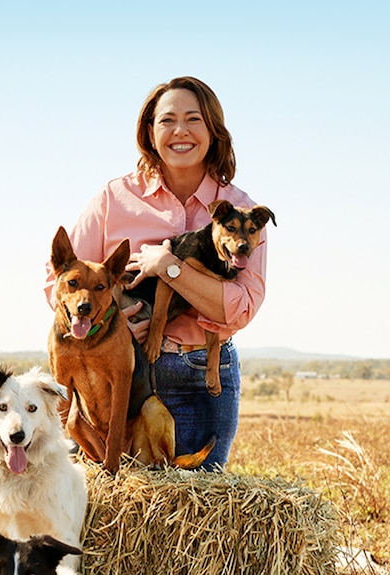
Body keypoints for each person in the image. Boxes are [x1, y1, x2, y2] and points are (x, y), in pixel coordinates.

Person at [44, 76, 270, 470]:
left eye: (193, 119)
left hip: (200, 378)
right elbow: (59, 282)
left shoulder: (242, 215)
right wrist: (108, 315)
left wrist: (170, 268)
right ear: (150, 132)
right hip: (110, 379)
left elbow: (241, 307)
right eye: (167, 120)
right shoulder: (114, 199)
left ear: (213, 130)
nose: (180, 131)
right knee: (103, 516)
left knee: (197, 516)